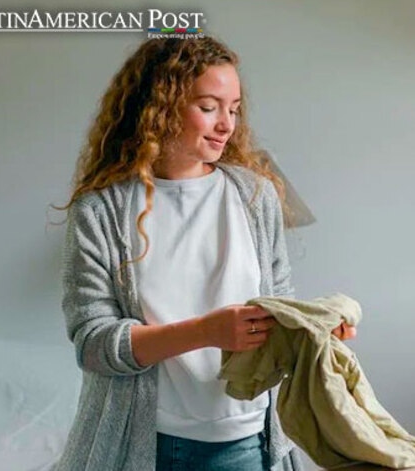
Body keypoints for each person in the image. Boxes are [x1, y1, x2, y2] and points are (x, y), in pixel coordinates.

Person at [53, 36, 353, 471]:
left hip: (248, 441)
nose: (226, 124)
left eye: (233, 109)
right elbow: (94, 344)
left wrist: (311, 330)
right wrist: (206, 331)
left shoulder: (255, 196)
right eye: (209, 107)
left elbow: (278, 304)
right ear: (159, 105)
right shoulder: (100, 212)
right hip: (147, 447)